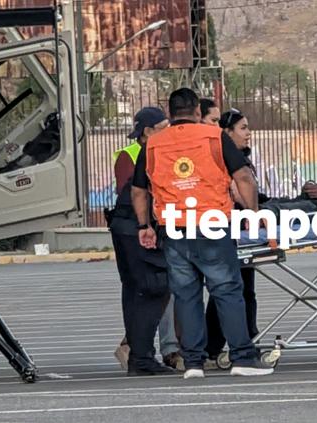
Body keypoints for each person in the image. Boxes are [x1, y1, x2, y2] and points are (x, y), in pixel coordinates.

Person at [131, 88, 273, 379]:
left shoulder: (153, 144)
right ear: (197, 111)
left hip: (173, 228)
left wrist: (144, 226)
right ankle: (243, 357)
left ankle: (193, 362)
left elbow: (138, 190)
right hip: (212, 224)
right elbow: (243, 176)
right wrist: (253, 212)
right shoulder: (214, 136)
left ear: (170, 113)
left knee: (186, 296)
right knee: (227, 291)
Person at [105, 107, 177, 376]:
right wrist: (146, 226)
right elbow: (139, 192)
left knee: (140, 290)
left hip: (130, 226)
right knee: (152, 287)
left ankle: (140, 355)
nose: (170, 133)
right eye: (164, 128)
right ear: (148, 132)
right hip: (135, 228)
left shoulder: (155, 150)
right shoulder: (142, 154)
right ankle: (141, 356)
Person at [203, 106, 263, 368]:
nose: (248, 133)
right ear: (227, 133)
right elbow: (239, 192)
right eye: (243, 128)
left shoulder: (238, 158)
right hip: (233, 228)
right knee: (235, 290)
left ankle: (214, 346)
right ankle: (239, 342)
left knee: (233, 289)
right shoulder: (229, 160)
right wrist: (256, 213)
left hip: (237, 227)